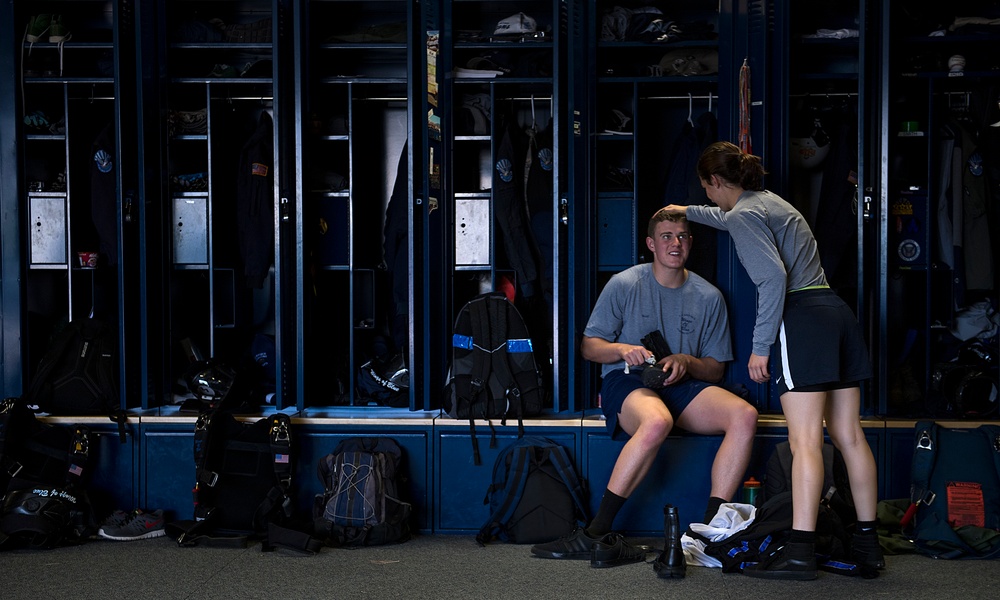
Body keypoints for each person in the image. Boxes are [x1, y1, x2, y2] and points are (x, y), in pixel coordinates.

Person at [664, 140, 883, 580]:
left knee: (805, 441)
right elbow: (729, 217)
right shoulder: (766, 202)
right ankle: (868, 545)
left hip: (802, 319)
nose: (705, 195)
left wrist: (760, 345)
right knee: (849, 435)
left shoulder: (745, 214)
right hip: (835, 312)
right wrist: (688, 209)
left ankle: (799, 552)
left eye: (705, 188)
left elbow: (771, 277)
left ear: (716, 181)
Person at [530, 209, 758, 569]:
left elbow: (714, 369)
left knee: (744, 415)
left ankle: (710, 531)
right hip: (629, 380)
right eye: (667, 236)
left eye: (682, 236)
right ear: (651, 244)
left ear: (691, 244)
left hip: (682, 383)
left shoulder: (709, 296)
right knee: (656, 422)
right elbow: (590, 347)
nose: (675, 243)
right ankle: (595, 532)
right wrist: (622, 349)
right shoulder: (625, 284)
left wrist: (687, 361)